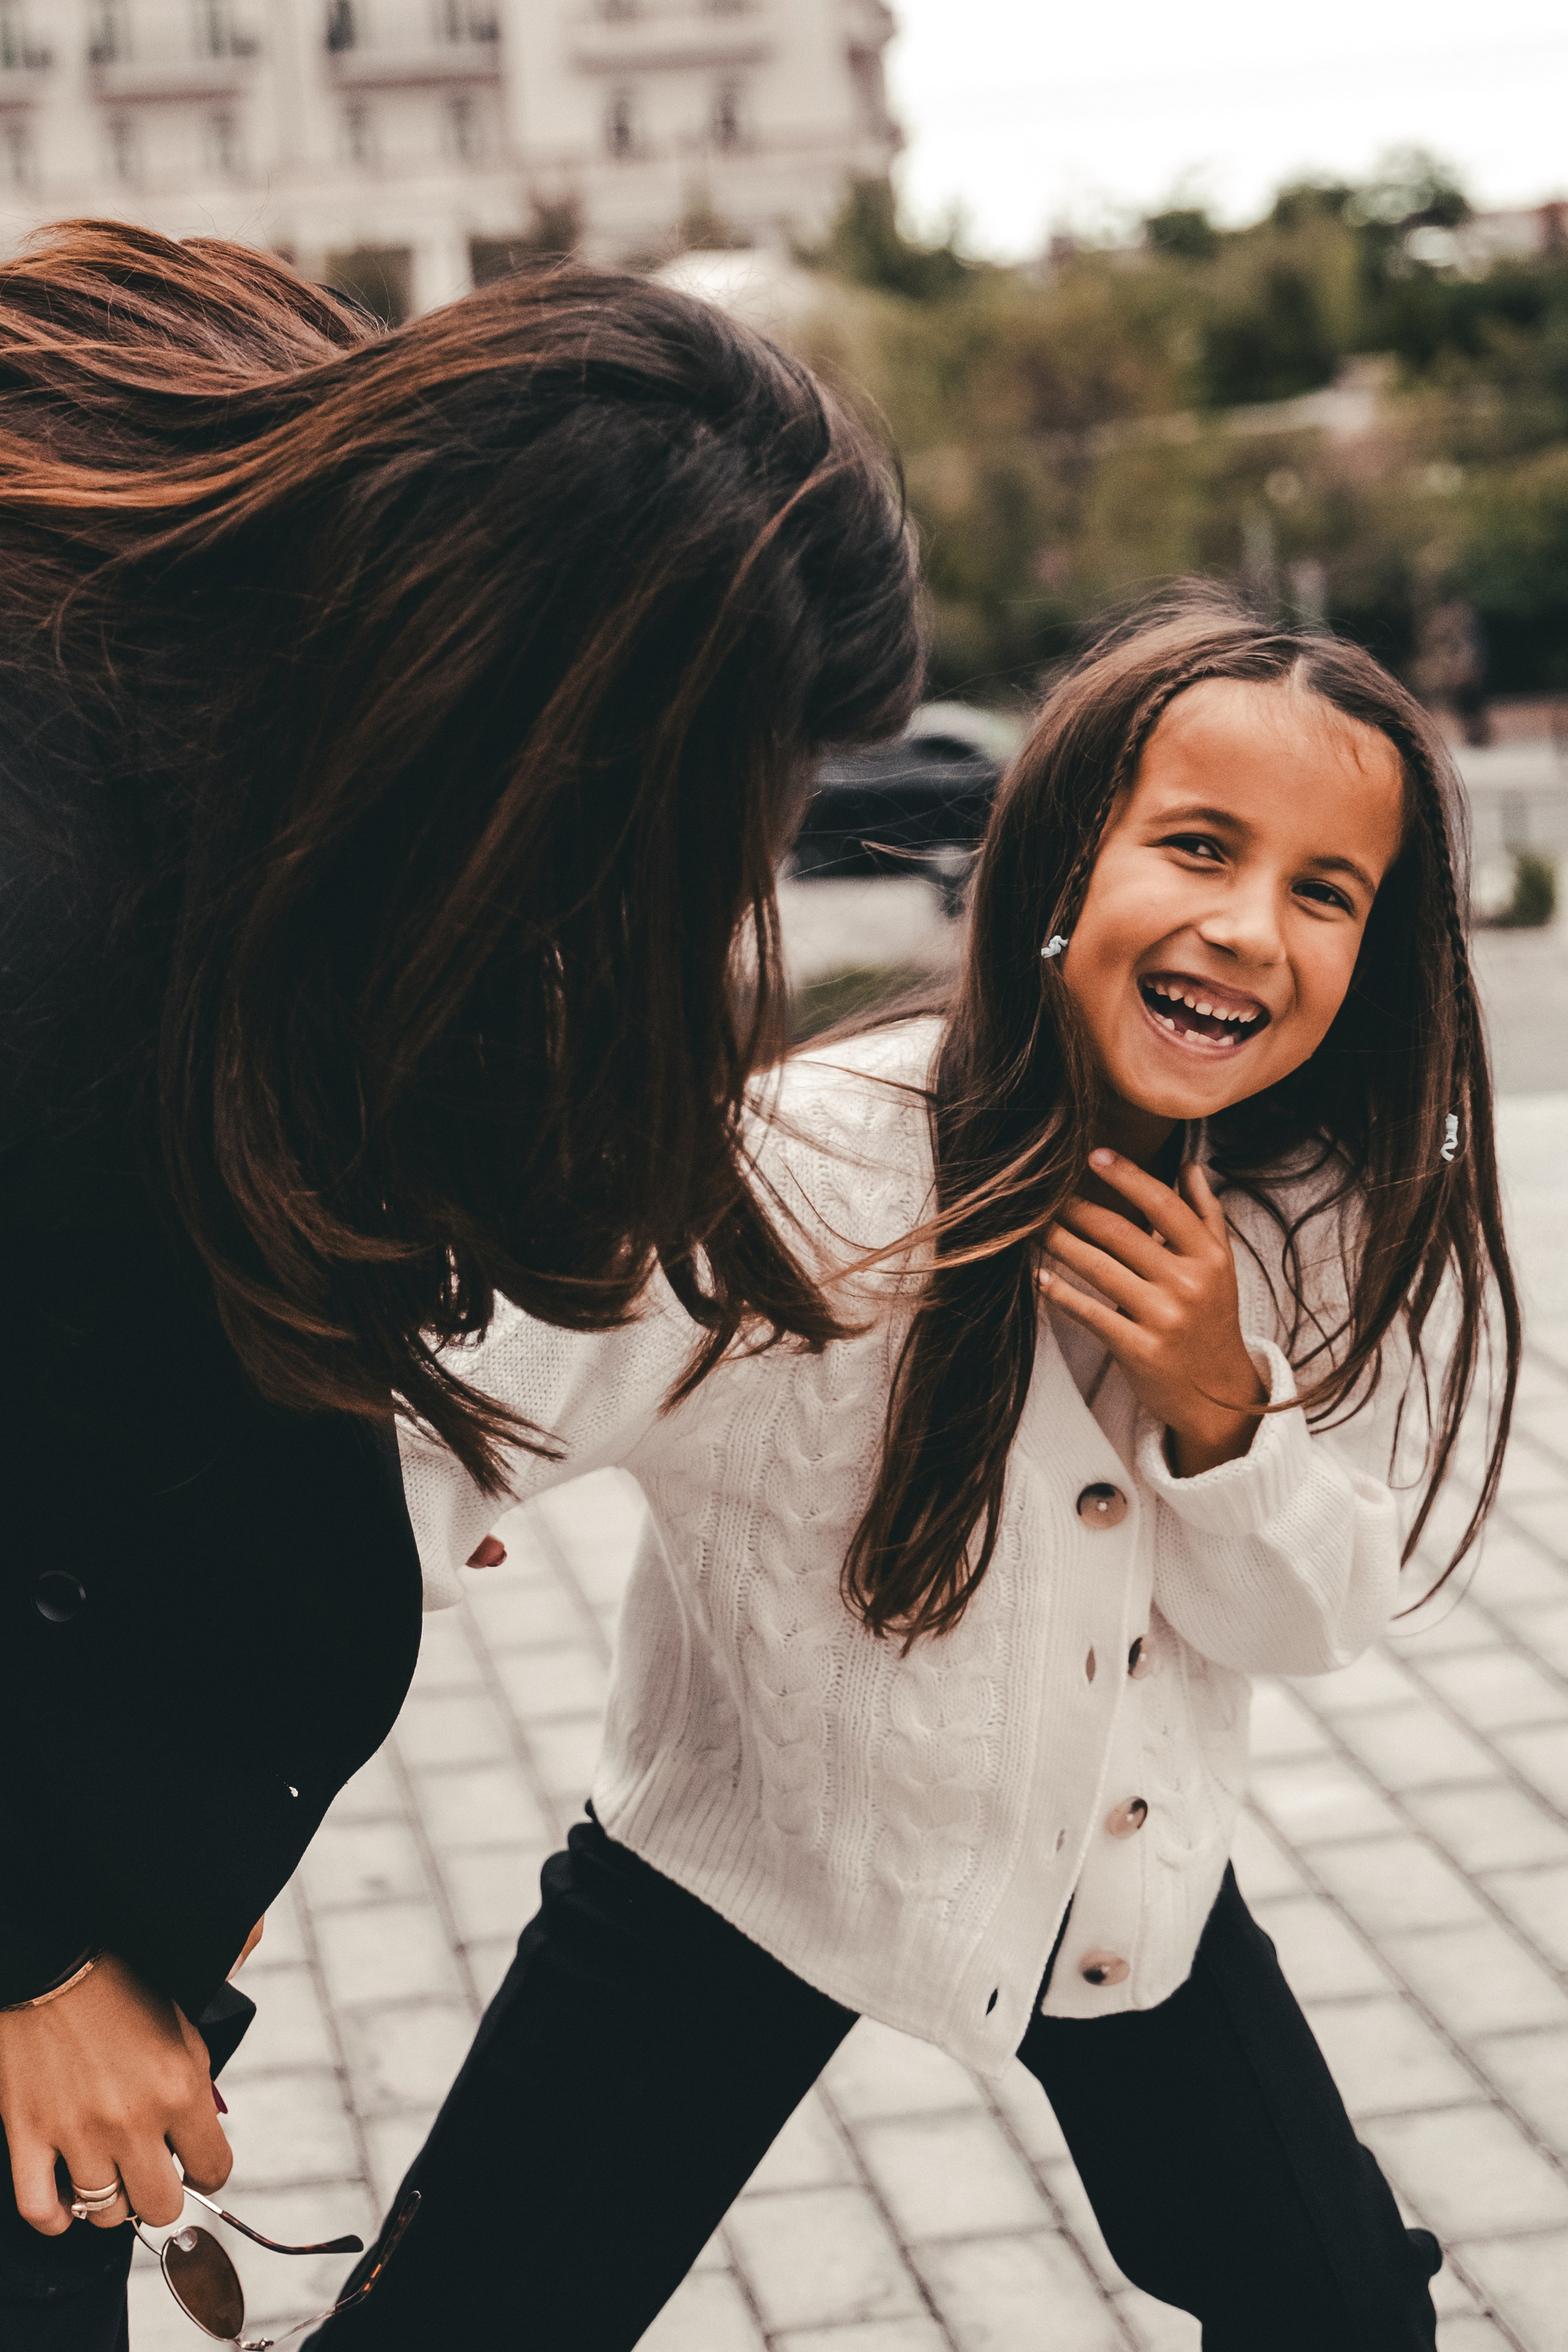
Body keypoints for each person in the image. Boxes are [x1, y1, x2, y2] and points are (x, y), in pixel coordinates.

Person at [320, 590, 1518, 2350]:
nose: (1252, 929)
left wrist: (1218, 1408)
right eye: (1197, 846)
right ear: (1054, 864)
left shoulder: (1314, 1214)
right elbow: (431, 1440)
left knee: (1343, 2313)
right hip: (739, 1870)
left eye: (1326, 891)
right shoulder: (802, 1172)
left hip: (1114, 1886)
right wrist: (161, 1877)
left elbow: (1312, 1618)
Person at [0, 219, 921, 2351]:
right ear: (569, 730)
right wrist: (31, 1955)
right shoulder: (44, 904)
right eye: (723, 817)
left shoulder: (287, 634)